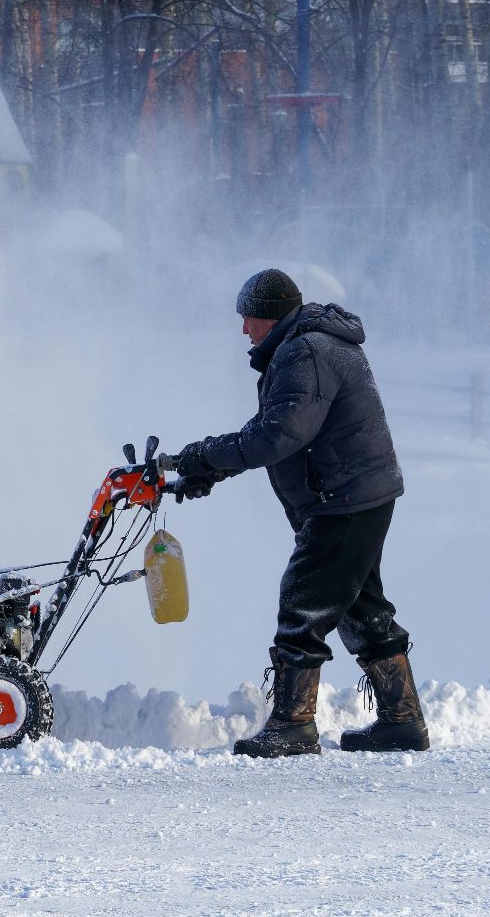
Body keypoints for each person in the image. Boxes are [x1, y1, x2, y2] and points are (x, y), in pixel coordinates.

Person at [170, 269, 429, 757]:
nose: (244, 329)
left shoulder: (305, 351)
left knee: (303, 602)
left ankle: (293, 724)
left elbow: (278, 435)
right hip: (357, 494)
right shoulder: (309, 346)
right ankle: (402, 721)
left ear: (270, 315)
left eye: (248, 318)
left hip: (342, 499)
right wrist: (211, 469)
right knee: (360, 607)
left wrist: (203, 455)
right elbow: (276, 428)